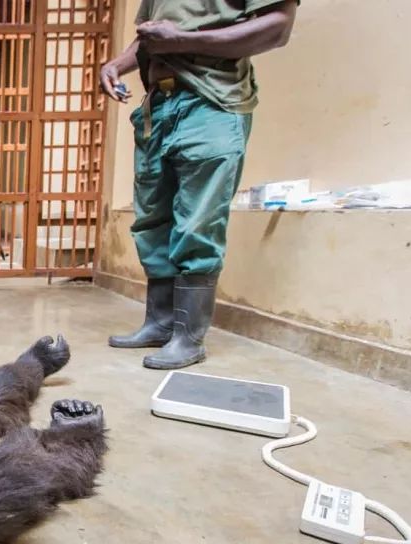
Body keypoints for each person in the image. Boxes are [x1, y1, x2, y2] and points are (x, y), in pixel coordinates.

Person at [100, 0, 297, 369]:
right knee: (152, 221)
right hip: (158, 104)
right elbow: (148, 39)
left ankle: (189, 336)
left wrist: (182, 40)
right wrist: (115, 65)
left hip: (210, 101)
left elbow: (277, 27)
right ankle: (159, 322)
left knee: (197, 222)